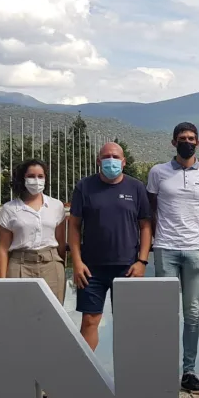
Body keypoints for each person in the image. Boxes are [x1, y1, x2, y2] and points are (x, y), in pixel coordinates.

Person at [147, 123, 199, 394]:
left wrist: (195, 227)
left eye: (191, 138)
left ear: (198, 142)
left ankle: (189, 371)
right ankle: (164, 369)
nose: (187, 142)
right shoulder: (158, 172)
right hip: (165, 247)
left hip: (196, 250)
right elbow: (152, 207)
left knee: (193, 313)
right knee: (165, 311)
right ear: (173, 142)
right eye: (182, 139)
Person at [68, 142, 151, 353]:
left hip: (128, 267)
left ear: (123, 162)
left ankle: (128, 377)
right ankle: (86, 375)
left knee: (127, 324)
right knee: (89, 321)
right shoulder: (84, 187)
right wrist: (76, 262)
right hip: (91, 269)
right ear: (98, 161)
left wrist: (142, 261)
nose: (111, 160)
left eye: (115, 157)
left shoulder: (136, 187)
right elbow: (74, 226)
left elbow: (145, 226)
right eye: (106, 156)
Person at [0, 159, 67, 303]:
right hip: (20, 265)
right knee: (19, 314)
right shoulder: (9, 209)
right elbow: (3, 249)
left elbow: (61, 243)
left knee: (54, 315)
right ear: (23, 178)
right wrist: (2, 280)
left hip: (51, 265)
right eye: (31, 176)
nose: (36, 180)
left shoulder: (56, 206)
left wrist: (60, 265)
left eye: (40, 176)